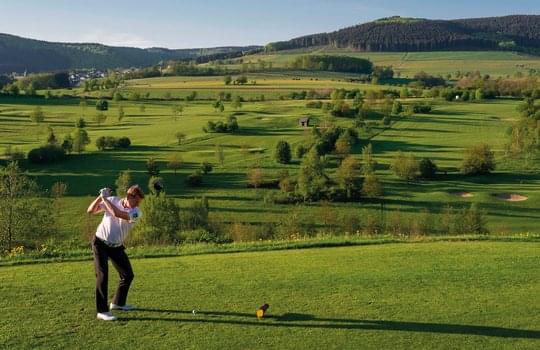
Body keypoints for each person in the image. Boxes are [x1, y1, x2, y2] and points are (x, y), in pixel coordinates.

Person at [86, 185, 144, 321]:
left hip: (116, 246)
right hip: (100, 242)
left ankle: (118, 303)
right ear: (129, 196)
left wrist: (105, 199)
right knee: (102, 275)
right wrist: (101, 197)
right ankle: (102, 311)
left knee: (127, 275)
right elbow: (90, 211)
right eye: (136, 200)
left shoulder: (136, 212)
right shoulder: (112, 200)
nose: (137, 204)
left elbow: (117, 213)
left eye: (139, 202)